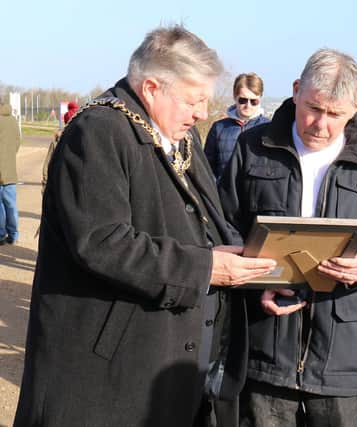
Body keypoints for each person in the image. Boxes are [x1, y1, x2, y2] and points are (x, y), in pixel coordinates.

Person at [14, 25, 276, 427]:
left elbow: (213, 227)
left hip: (167, 364)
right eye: (194, 100)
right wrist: (205, 268)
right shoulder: (98, 132)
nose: (203, 113)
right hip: (107, 378)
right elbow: (102, 242)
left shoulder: (177, 135)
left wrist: (256, 272)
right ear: (152, 88)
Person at [218, 48, 357, 426]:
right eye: (313, 108)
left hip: (344, 355)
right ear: (295, 91)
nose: (320, 124)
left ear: (355, 107)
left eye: (335, 114)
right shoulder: (252, 148)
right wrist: (256, 282)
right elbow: (224, 223)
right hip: (265, 346)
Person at [204, 72, 270, 180]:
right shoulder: (219, 128)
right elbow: (207, 167)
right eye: (243, 100)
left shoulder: (268, 128)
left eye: (254, 101)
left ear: (260, 99)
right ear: (235, 97)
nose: (248, 106)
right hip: (224, 194)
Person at [0, 103, 21, 245]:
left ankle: (1, 235)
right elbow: (18, 142)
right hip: (11, 170)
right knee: (11, 205)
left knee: (0, 206)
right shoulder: (13, 120)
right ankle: (13, 235)